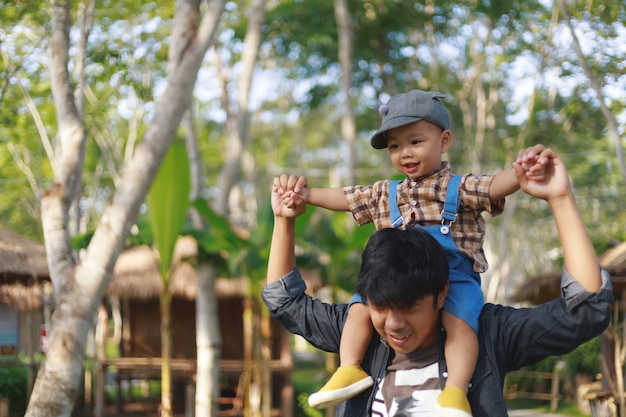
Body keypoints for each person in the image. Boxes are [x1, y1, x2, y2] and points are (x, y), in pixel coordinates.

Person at [264, 146, 613, 416]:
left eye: (410, 308)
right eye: (381, 308)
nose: (394, 324)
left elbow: (585, 312)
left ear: (442, 292)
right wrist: (284, 221)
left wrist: (561, 199)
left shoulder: (487, 333)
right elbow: (286, 302)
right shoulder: (362, 332)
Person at [279, 90, 548, 415]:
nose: (404, 153)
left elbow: (491, 186)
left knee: (461, 325)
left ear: (444, 140)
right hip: (396, 283)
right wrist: (305, 195)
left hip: (453, 278)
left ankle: (454, 392)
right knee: (358, 309)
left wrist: (519, 175)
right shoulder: (384, 193)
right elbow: (347, 198)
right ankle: (349, 368)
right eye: (395, 146)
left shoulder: (458, 188)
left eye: (415, 142)